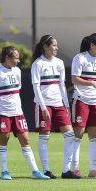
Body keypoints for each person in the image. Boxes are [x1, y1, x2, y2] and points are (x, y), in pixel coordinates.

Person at [0, 46, 49, 180]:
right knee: (4, 139)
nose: (18, 60)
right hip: (2, 112)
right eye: (16, 57)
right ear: (7, 58)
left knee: (25, 139)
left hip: (17, 112)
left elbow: (17, 89)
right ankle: (4, 172)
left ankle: (35, 171)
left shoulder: (17, 71)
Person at [31, 35, 80, 179]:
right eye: (53, 45)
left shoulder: (59, 63)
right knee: (44, 137)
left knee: (70, 135)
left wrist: (66, 105)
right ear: (45, 47)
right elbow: (36, 87)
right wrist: (43, 107)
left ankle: (66, 171)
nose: (56, 48)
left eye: (56, 45)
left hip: (59, 104)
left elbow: (62, 86)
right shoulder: (37, 64)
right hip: (44, 105)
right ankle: (46, 170)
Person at [71, 33, 96, 178]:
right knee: (78, 135)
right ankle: (75, 168)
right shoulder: (80, 58)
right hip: (81, 100)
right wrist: (92, 83)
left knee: (95, 136)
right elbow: (74, 79)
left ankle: (93, 169)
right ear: (92, 45)